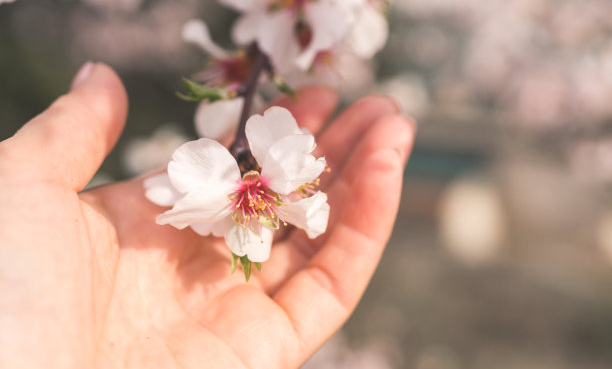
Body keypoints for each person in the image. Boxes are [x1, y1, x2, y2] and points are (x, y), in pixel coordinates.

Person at [0, 62, 415, 368]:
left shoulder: (255, 202)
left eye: (255, 194)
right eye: (254, 191)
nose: (255, 199)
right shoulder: (239, 192)